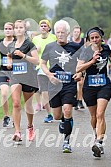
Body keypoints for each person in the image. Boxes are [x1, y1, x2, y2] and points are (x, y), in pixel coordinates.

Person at [76, 27, 111, 157]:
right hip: (89, 87)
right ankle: (97, 135)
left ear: (101, 38)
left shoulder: (106, 48)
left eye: (97, 37)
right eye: (92, 38)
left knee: (100, 114)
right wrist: (92, 61)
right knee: (94, 116)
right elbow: (78, 68)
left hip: (104, 86)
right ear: (89, 40)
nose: (95, 40)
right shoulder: (85, 52)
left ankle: (99, 142)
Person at [41, 20, 82, 153]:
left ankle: (66, 141)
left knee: (68, 110)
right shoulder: (49, 47)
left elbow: (83, 63)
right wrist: (49, 75)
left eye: (62, 32)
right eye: (57, 32)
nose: (60, 34)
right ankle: (64, 121)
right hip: (54, 85)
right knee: (57, 116)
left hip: (69, 84)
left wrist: (80, 72)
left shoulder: (75, 47)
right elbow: (42, 63)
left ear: (68, 33)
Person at [6, 20, 39, 142]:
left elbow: (36, 61)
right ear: (14, 30)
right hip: (15, 77)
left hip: (28, 77)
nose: (18, 29)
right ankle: (17, 132)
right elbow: (9, 55)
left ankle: (30, 127)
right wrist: (9, 63)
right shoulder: (11, 45)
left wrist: (23, 55)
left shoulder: (29, 44)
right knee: (15, 103)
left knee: (28, 104)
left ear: (24, 30)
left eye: (21, 27)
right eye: (17, 27)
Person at [32, 19, 56, 122]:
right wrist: (35, 50)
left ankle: (59, 112)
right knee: (44, 92)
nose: (43, 27)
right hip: (41, 68)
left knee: (55, 91)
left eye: (45, 25)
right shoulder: (35, 39)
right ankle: (49, 114)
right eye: (41, 26)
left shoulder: (54, 38)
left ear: (49, 28)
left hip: (53, 68)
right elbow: (31, 52)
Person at [0, 22, 15, 127]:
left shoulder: (18, 42)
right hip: (3, 71)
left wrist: (13, 62)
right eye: (6, 28)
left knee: (15, 97)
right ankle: (6, 116)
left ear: (14, 30)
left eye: (10, 28)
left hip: (16, 72)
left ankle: (16, 118)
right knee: (4, 93)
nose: (7, 30)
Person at [69, 25, 85, 110]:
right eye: (75, 32)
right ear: (72, 32)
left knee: (80, 83)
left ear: (80, 33)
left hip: (81, 64)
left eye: (78, 32)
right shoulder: (69, 41)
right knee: (73, 83)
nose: (76, 33)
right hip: (71, 65)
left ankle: (80, 100)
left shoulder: (83, 42)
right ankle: (75, 99)